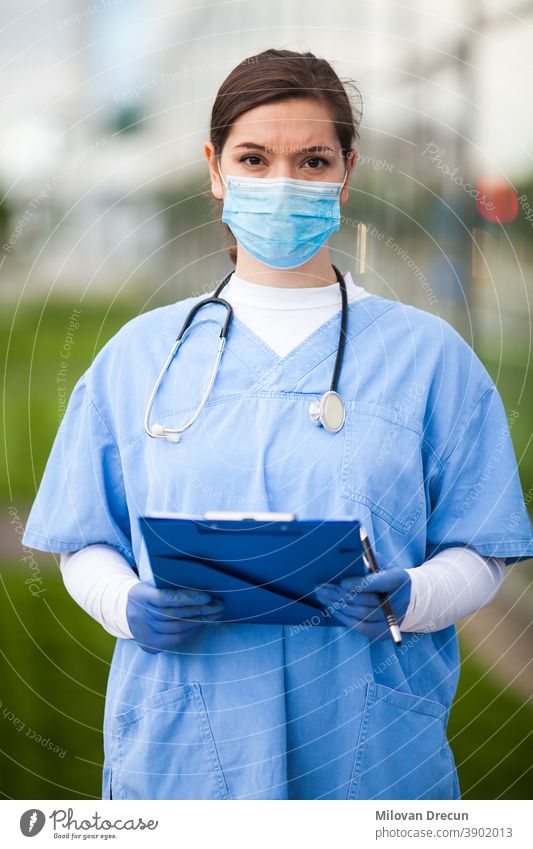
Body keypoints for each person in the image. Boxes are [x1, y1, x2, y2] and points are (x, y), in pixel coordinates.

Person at [22, 48, 533, 801]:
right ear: (215, 169)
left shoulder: (430, 361)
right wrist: (123, 604)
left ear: (347, 173)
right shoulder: (139, 358)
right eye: (254, 159)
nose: (282, 183)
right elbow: (84, 539)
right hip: (183, 754)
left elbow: (480, 548)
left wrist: (414, 595)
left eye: (313, 160)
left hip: (371, 758)